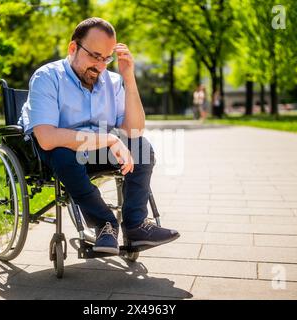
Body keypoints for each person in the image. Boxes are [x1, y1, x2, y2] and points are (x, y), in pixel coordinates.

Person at [18, 17, 179, 255]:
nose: (100, 66)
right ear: (73, 48)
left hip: (95, 150)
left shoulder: (112, 81)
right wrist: (111, 140)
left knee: (141, 147)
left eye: (106, 58)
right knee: (63, 154)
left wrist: (128, 77)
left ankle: (135, 226)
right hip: (57, 154)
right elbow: (47, 137)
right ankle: (105, 224)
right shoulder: (47, 77)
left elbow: (134, 130)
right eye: (94, 56)